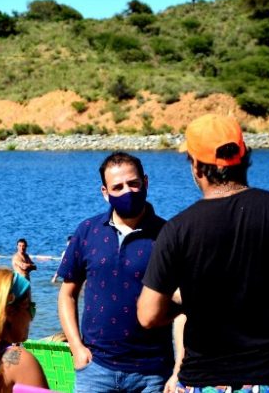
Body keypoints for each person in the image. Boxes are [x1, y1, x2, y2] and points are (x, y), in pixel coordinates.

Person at [137, 113, 269, 392]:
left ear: (196, 166)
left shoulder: (177, 229)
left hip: (208, 381)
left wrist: (199, 304)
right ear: (245, 157)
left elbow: (148, 315)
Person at [55, 151, 183, 393]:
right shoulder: (87, 231)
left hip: (153, 374)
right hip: (95, 369)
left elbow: (185, 308)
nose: (128, 191)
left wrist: (178, 370)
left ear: (145, 182)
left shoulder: (169, 235)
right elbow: (67, 294)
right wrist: (76, 348)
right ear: (105, 193)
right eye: (118, 187)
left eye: (133, 184)